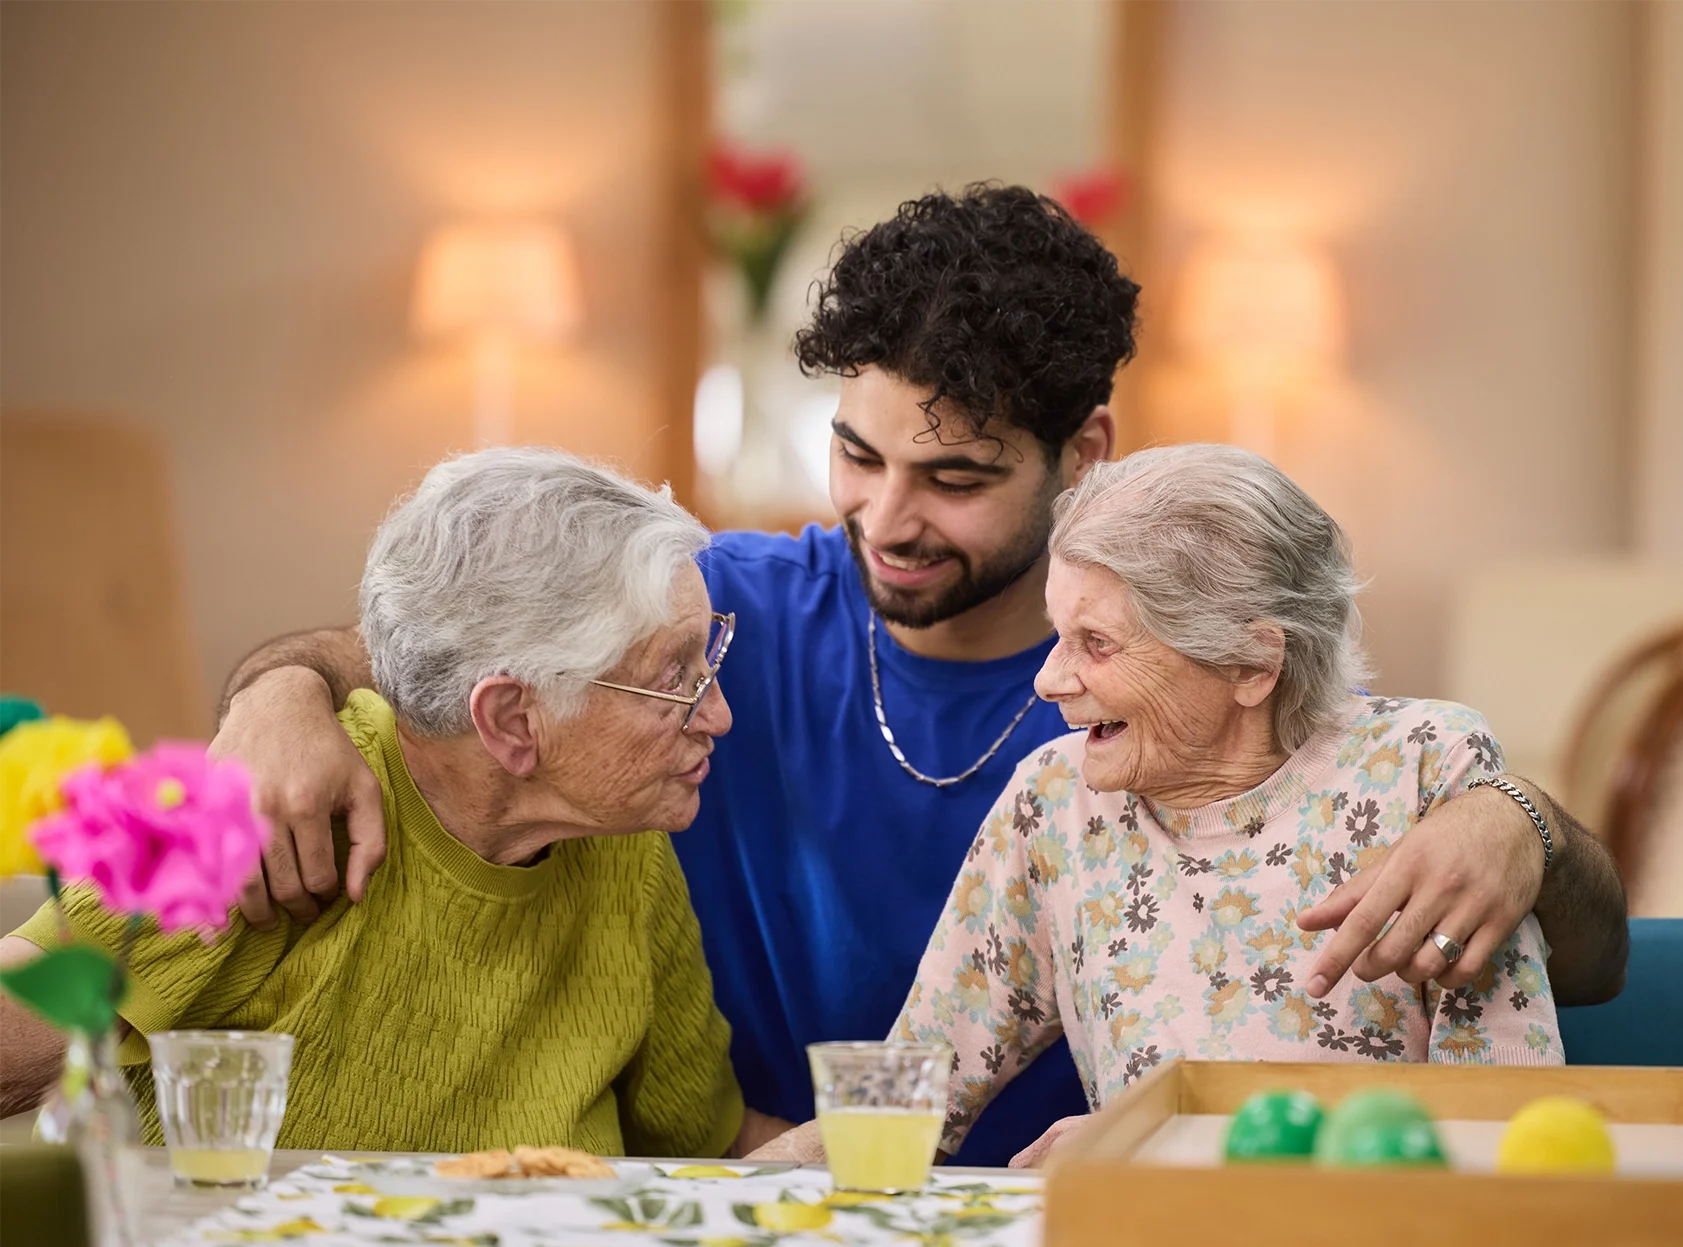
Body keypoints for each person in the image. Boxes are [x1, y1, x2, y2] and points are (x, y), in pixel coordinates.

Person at [208, 185, 1628, 1164]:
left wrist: (1509, 813)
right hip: (831, 1190)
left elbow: (1575, 951)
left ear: (1083, 453)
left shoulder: (1204, 685)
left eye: (953, 476)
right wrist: (274, 695)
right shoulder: (717, 617)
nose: (886, 518)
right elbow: (449, 649)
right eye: (858, 454)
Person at [756, 445, 1564, 1168]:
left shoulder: (1424, 769)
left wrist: (1181, 1145)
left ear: (1252, 661)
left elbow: (1503, 1124)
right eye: (1056, 633)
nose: (1047, 680)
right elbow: (909, 1094)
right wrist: (718, 1203)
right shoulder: (1054, 799)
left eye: (1096, 643)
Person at [0, 448, 756, 1159]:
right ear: (512, 720)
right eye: (673, 676)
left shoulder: (624, 837)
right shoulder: (284, 812)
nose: (716, 712)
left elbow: (706, 1147)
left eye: (707, 652)